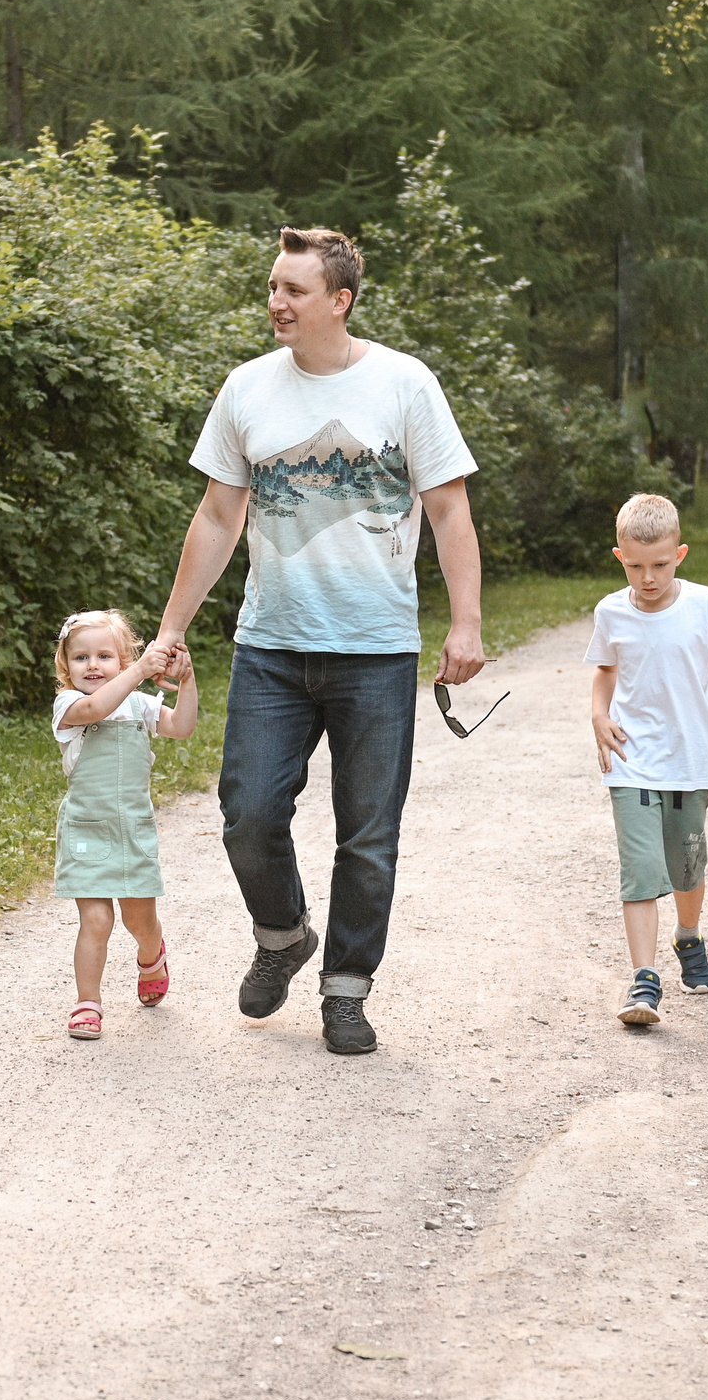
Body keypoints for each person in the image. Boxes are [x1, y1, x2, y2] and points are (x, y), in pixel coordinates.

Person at [149, 227, 487, 1056]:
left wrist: (468, 620)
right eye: (273, 286)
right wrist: (170, 627)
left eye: (293, 291)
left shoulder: (405, 384)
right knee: (247, 816)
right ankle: (282, 936)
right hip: (271, 645)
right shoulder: (246, 389)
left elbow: (448, 508)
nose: (275, 302)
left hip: (376, 651)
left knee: (367, 835)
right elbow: (219, 515)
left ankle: (346, 988)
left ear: (338, 300)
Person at [587, 494, 708, 1025]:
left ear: (680, 554)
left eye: (660, 565)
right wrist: (599, 716)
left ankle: (687, 937)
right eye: (637, 566)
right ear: (620, 556)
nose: (648, 578)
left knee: (687, 866)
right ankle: (644, 981)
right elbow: (603, 671)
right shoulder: (611, 611)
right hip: (632, 760)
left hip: (690, 761)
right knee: (641, 872)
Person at [50, 609, 199, 1040]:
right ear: (66, 667)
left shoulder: (140, 704)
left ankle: (152, 957)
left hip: (132, 829)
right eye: (81, 658)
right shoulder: (70, 705)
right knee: (96, 920)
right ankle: (88, 1004)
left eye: (104, 656)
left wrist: (186, 683)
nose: (92, 665)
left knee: (140, 920)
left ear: (121, 659)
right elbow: (98, 707)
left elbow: (182, 727)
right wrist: (138, 670)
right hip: (87, 830)